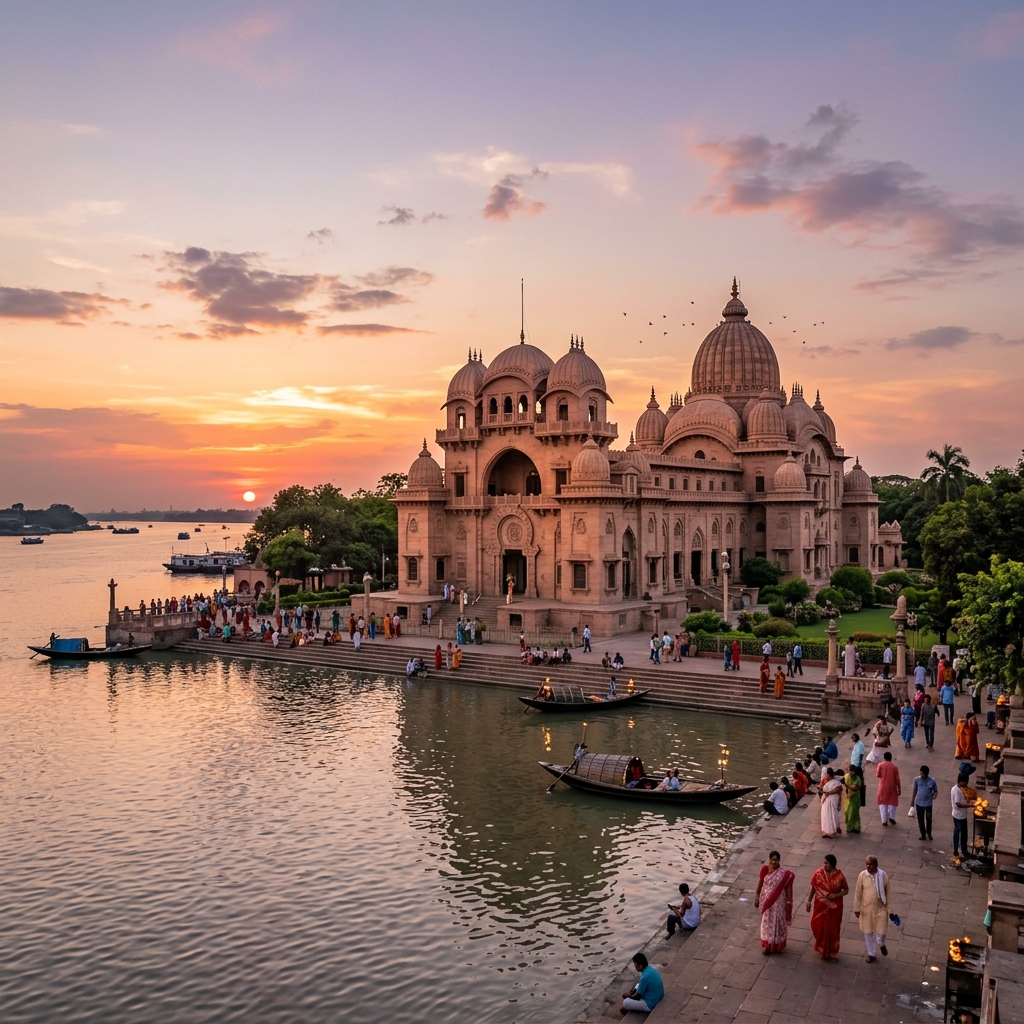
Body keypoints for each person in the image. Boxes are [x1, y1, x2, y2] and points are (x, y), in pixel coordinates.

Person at [806, 854, 848, 961]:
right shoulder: (819, 873)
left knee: (833, 930)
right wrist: (809, 901)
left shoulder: (840, 876)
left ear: (832, 865)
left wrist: (836, 896)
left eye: (827, 863)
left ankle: (832, 952)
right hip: (820, 906)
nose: (824, 865)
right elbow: (813, 888)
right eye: (824, 863)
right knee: (816, 925)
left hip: (835, 908)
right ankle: (821, 947)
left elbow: (846, 890)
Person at [754, 850, 795, 954]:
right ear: (769, 859)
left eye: (776, 860)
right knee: (767, 922)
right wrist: (757, 896)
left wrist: (788, 901)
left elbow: (787, 888)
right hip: (767, 901)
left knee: (778, 921)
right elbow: (760, 884)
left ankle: (777, 945)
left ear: (779, 860)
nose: (773, 862)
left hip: (779, 901)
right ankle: (768, 946)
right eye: (772, 860)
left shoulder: (784, 874)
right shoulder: (764, 869)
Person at [854, 856, 893, 962]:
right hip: (866, 909)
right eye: (866, 864)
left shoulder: (883, 875)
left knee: (881, 932)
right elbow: (858, 893)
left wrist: (891, 910)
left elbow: (888, 893)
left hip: (881, 908)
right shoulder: (862, 875)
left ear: (876, 865)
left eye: (870, 864)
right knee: (868, 932)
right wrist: (856, 908)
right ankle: (871, 954)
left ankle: (881, 943)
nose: (868, 866)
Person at [912, 765, 938, 841]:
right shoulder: (917, 780)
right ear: (920, 772)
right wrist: (912, 800)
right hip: (919, 802)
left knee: (929, 819)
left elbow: (936, 790)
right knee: (920, 819)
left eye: (924, 774)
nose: (923, 776)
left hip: (928, 803)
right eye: (922, 774)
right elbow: (914, 790)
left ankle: (929, 833)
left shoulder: (932, 781)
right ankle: (923, 834)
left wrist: (935, 795)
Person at [875, 751, 901, 826]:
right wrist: (899, 789)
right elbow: (897, 779)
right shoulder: (894, 767)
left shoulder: (880, 765)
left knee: (883, 803)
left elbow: (878, 775)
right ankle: (892, 817)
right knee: (892, 803)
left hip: (882, 786)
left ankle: (884, 820)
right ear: (891, 758)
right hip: (892, 787)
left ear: (884, 758)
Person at [951, 775, 972, 859]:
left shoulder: (958, 789)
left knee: (956, 832)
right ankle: (964, 851)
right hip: (960, 816)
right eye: (965, 782)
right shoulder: (957, 790)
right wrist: (970, 805)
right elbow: (958, 804)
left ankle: (956, 849)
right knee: (963, 834)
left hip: (957, 814)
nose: (966, 784)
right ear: (961, 781)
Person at [819, 768, 844, 838]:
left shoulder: (836, 782)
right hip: (826, 799)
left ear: (828, 775)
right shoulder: (827, 781)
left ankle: (832, 831)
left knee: (833, 815)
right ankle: (825, 832)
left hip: (833, 799)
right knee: (825, 815)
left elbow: (839, 790)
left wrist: (829, 793)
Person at [843, 763, 861, 833]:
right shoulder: (846, 776)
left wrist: (847, 786)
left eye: (852, 771)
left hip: (855, 798)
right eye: (850, 771)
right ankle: (849, 827)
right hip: (848, 798)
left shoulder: (857, 779)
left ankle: (856, 827)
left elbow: (855, 788)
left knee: (854, 813)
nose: (850, 772)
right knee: (847, 812)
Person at [850, 732, 866, 806]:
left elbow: (861, 754)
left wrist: (859, 764)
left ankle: (859, 793)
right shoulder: (856, 744)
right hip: (854, 764)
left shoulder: (860, 744)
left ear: (856, 738)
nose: (852, 739)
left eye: (853, 737)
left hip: (857, 765)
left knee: (859, 779)